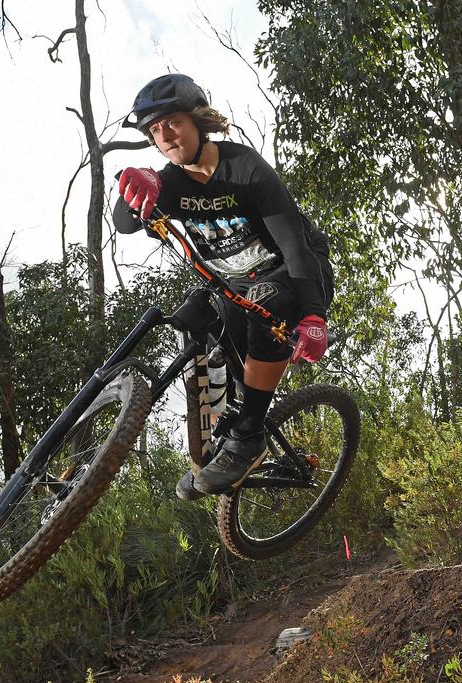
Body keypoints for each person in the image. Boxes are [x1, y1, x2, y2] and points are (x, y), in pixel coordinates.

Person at [113, 74, 334, 501]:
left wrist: (314, 316)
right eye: (155, 131)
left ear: (197, 121)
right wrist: (141, 181)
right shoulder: (171, 183)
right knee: (189, 321)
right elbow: (125, 223)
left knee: (261, 303)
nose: (166, 136)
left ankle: (248, 436)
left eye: (172, 122)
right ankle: (219, 435)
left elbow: (295, 245)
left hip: (293, 273)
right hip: (232, 286)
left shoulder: (244, 168)